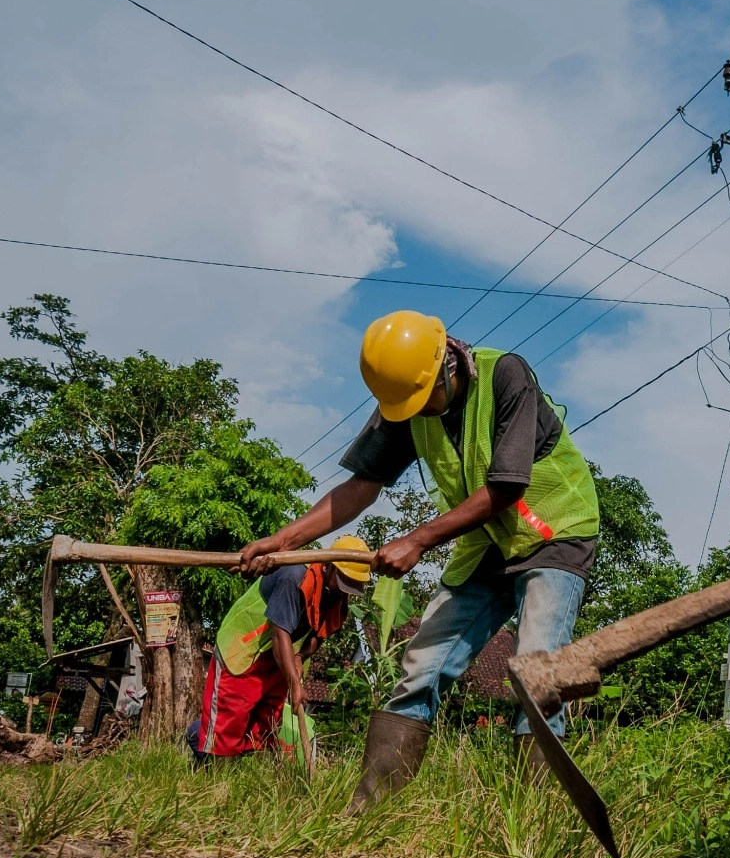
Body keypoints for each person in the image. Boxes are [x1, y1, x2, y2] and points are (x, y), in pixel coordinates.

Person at [239, 310, 600, 811]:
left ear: (448, 365)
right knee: (421, 666)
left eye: (421, 398)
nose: (415, 412)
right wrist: (282, 541)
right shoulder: (405, 403)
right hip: (486, 544)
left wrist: (418, 540)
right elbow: (360, 488)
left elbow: (507, 485)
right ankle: (369, 813)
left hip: (555, 533)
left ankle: (535, 822)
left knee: (536, 673)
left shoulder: (506, 376)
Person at [189, 552, 371, 765]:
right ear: (328, 567)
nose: (344, 589)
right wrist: (295, 684)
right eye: (343, 581)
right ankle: (209, 768)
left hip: (277, 659)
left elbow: (320, 632)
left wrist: (300, 656)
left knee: (263, 729)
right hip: (243, 648)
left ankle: (241, 779)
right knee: (229, 723)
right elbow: (279, 634)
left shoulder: (336, 592)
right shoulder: (294, 576)